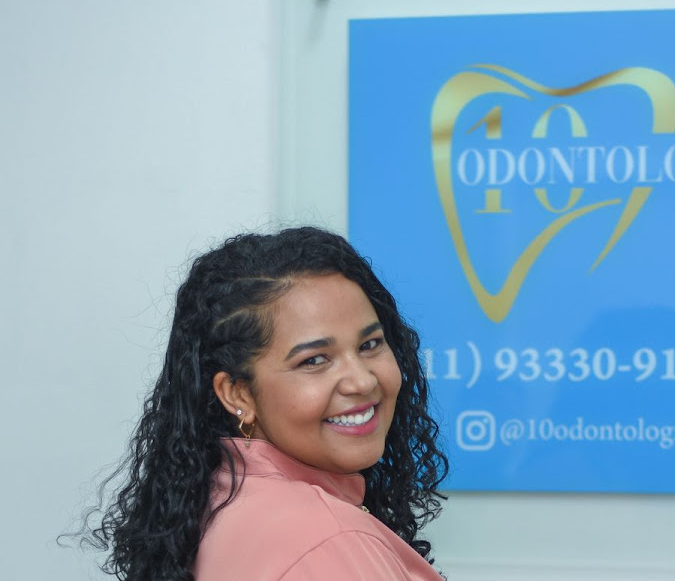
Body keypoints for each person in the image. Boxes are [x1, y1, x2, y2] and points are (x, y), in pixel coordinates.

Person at [83, 227, 449, 580]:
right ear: (238, 394)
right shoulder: (328, 540)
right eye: (314, 360)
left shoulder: (219, 497)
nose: (363, 381)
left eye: (370, 345)